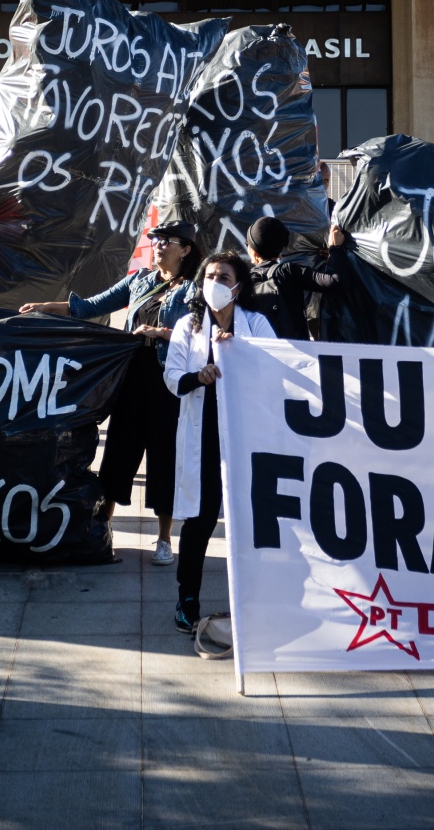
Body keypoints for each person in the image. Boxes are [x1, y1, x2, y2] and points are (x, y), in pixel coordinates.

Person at [22, 220, 199, 566]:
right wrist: (46, 306)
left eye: (168, 240)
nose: (159, 245)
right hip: (131, 378)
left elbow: (197, 333)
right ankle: (101, 524)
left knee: (164, 459)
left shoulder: (192, 290)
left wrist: (163, 333)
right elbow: (90, 307)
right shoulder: (139, 281)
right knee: (118, 453)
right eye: (156, 239)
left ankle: (164, 539)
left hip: (168, 384)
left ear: (186, 249)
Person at [162, 249, 273, 633]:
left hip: (245, 436)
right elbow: (174, 377)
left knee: (251, 521)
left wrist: (237, 352)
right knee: (200, 520)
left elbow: (275, 369)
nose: (215, 283)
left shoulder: (256, 324)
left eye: (224, 277)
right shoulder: (188, 327)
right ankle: (186, 599)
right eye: (209, 276)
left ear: (239, 287)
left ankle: (256, 602)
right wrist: (201, 375)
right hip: (204, 437)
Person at [244, 216, 340, 341]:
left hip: (261, 355)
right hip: (295, 356)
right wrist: (335, 249)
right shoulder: (289, 272)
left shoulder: (241, 282)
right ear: (281, 251)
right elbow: (335, 281)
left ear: (253, 251)